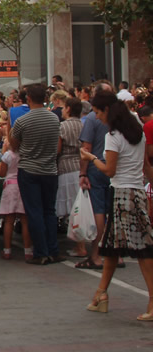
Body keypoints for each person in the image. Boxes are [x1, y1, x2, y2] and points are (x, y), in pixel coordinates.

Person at [80, 91, 153, 321]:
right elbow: (146, 167)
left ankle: (152, 299)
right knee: (111, 247)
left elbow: (110, 170)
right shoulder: (137, 132)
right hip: (137, 192)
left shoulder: (113, 136)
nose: (97, 116)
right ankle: (100, 294)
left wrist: (91, 159)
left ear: (107, 110)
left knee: (141, 249)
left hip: (121, 193)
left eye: (98, 112)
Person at [9, 83, 63, 265]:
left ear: (28, 99)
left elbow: (14, 144)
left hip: (29, 169)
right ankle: (53, 249)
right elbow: (56, 145)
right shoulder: (54, 119)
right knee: (49, 210)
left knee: (34, 212)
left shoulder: (22, 121)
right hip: (49, 169)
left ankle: (40, 252)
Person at [78, 82, 116, 270]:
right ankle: (117, 253)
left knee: (99, 212)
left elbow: (86, 147)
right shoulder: (123, 118)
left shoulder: (93, 119)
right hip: (116, 169)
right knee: (113, 212)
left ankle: (96, 254)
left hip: (97, 167)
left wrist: (83, 172)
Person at [57, 97, 85, 255]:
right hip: (81, 166)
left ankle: (79, 246)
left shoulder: (63, 126)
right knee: (79, 206)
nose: (61, 110)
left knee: (73, 208)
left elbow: (58, 149)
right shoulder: (83, 124)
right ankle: (80, 243)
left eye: (63, 107)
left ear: (68, 109)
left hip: (66, 167)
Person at [0, 145, 32, 261]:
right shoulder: (26, 153)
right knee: (25, 221)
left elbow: (2, 173)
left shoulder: (7, 155)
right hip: (23, 185)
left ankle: (7, 250)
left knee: (8, 221)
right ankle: (28, 250)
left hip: (10, 187)